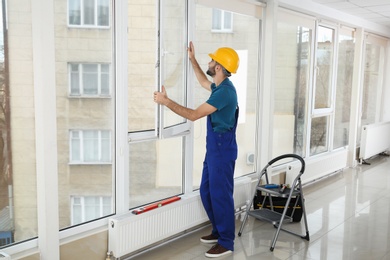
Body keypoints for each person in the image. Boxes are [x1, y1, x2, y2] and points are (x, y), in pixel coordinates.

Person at [153, 41, 239, 258]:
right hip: (215, 148)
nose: (209, 62)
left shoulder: (224, 93)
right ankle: (219, 230)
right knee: (207, 191)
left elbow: (193, 115)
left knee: (221, 195)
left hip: (222, 148)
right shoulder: (219, 86)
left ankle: (226, 241)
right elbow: (203, 80)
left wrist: (166, 101)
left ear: (218, 67)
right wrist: (192, 59)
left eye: (212, 60)